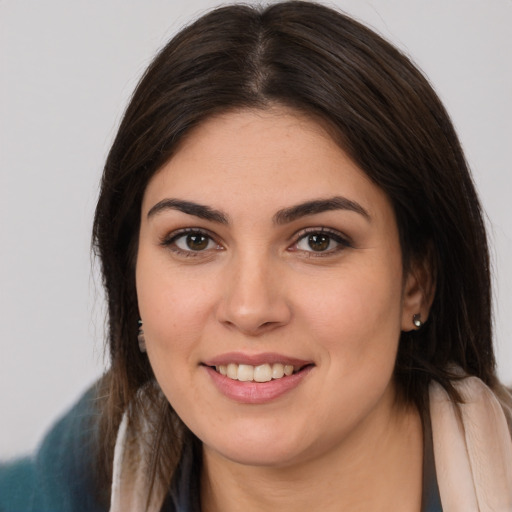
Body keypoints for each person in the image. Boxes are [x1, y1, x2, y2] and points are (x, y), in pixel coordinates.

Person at [1, 1, 511, 511]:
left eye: (318, 241)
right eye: (194, 240)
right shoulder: (74, 477)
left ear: (415, 280)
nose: (249, 309)